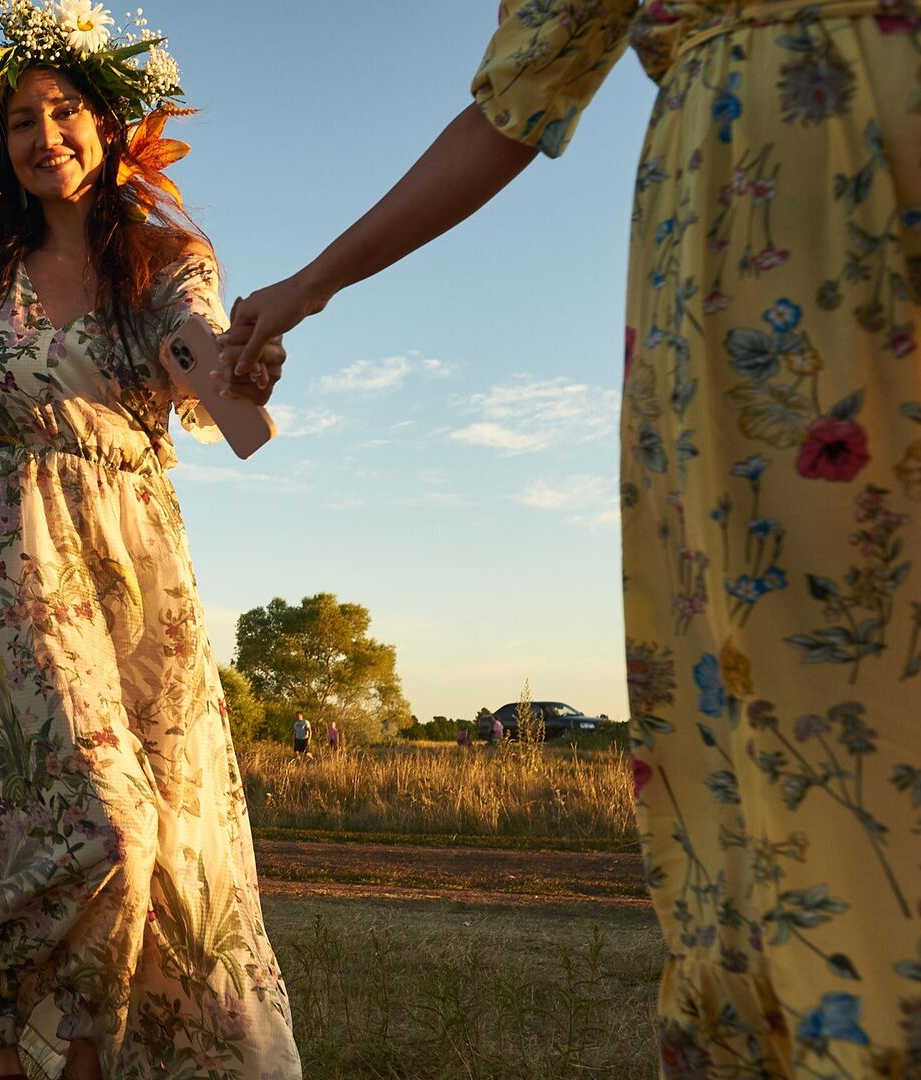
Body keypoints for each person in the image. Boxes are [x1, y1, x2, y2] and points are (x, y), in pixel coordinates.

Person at [217, 3, 921, 1072]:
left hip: (816, 147)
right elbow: (518, 96)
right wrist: (314, 284)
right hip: (757, 212)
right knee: (799, 667)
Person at [0, 5, 301, 1077]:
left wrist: (238, 380)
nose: (44, 135)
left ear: (110, 123)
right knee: (101, 826)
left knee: (160, 850)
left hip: (141, 566)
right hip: (20, 555)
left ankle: (73, 1058)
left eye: (63, 109)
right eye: (20, 119)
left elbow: (201, 353)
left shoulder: (166, 255)